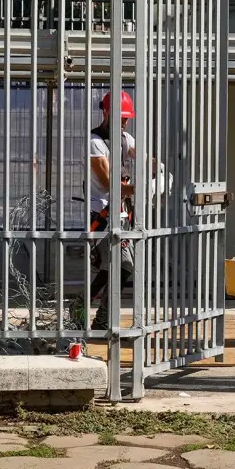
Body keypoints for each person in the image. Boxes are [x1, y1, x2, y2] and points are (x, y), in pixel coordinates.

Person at [86, 90, 138, 331]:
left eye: (127, 118)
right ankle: (100, 317)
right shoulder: (95, 142)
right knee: (122, 266)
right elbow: (109, 184)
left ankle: (87, 308)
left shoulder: (125, 139)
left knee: (116, 267)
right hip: (101, 214)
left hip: (120, 214)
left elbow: (143, 156)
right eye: (121, 117)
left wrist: (156, 166)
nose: (125, 122)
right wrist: (139, 188)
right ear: (106, 113)